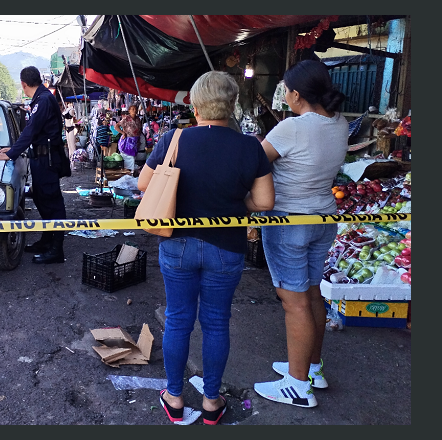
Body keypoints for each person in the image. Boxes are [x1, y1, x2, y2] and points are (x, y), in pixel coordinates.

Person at [137, 71, 274, 425]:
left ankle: (175, 397)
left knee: (178, 319)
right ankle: (212, 402)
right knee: (216, 323)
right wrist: (234, 199)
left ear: (196, 107)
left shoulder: (174, 139)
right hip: (227, 248)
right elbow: (264, 202)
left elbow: (143, 184)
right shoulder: (249, 146)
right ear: (231, 107)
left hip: (178, 244)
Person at [253, 59, 348, 409]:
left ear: (295, 94)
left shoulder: (291, 127)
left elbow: (256, 163)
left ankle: (296, 386)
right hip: (323, 219)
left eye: (285, 90)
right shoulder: (339, 122)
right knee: (311, 296)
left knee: (294, 304)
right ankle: (311, 368)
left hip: (289, 223)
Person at [0, 66, 68, 264]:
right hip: (40, 160)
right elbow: (31, 132)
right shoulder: (41, 98)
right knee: (41, 200)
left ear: (23, 84)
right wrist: (13, 148)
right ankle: (47, 240)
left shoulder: (44, 100)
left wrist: (12, 154)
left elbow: (31, 131)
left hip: (47, 160)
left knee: (52, 203)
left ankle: (57, 250)